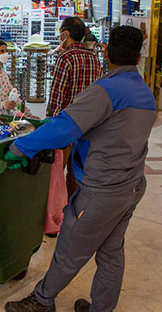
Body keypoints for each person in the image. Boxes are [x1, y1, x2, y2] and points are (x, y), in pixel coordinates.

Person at [4, 26, 157, 312]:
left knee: (70, 249)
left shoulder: (107, 91)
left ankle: (41, 301)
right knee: (112, 252)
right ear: (138, 58)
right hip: (132, 187)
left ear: (107, 52)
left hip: (101, 190)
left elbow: (64, 129)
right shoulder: (145, 93)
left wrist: (21, 146)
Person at [48, 17, 101, 201]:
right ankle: (73, 209)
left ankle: (55, 213)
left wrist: (50, 122)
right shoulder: (94, 59)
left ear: (66, 33)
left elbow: (57, 94)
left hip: (67, 125)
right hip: (88, 125)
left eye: (61, 31)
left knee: (55, 174)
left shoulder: (65, 57)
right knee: (77, 174)